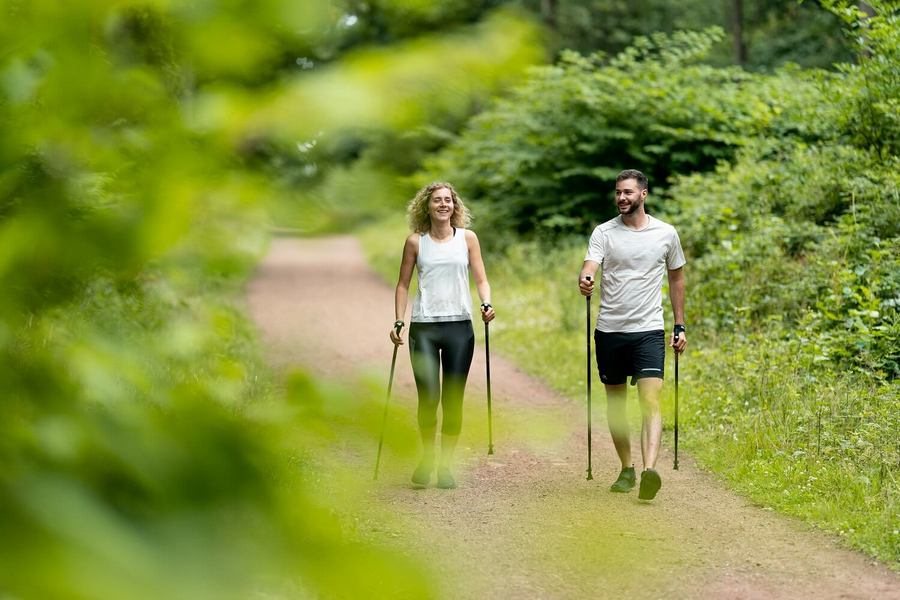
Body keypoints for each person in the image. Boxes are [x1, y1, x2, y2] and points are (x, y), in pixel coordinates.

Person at [578, 169, 686, 501]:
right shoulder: (604, 232)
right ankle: (627, 467)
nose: (622, 198)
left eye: (628, 192)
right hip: (610, 330)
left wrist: (679, 325)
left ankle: (648, 470)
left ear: (644, 194)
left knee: (650, 400)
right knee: (617, 406)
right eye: (618, 193)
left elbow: (677, 279)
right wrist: (585, 278)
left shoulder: (666, 234)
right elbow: (590, 264)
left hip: (649, 330)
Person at [390, 182, 495, 489]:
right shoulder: (415, 242)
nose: (443, 205)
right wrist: (399, 321)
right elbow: (401, 285)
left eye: (448, 200)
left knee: (452, 399)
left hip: (459, 327)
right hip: (424, 326)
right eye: (437, 200)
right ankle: (426, 459)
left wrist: (486, 303)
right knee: (428, 398)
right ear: (427, 206)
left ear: (455, 206)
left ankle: (446, 465)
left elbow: (482, 279)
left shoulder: (467, 239)